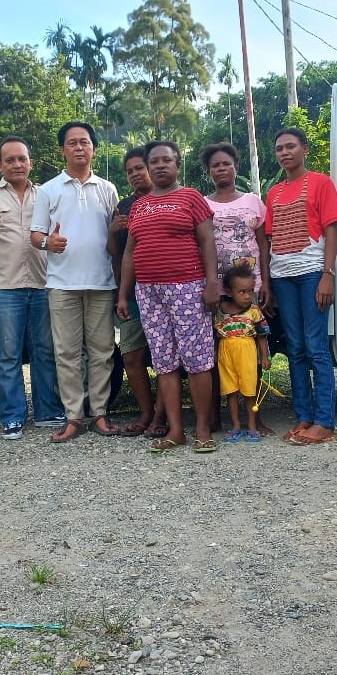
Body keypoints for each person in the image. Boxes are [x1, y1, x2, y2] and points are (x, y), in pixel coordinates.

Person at [116, 140, 219, 454]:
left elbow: (207, 241)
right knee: (164, 363)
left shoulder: (191, 197)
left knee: (198, 361)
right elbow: (130, 254)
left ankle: (202, 427)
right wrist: (123, 295)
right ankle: (176, 430)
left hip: (187, 287)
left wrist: (212, 282)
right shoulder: (140, 205)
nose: (160, 166)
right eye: (154, 162)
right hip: (148, 292)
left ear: (177, 165)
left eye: (166, 161)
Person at [0, 136, 67, 441]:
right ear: (0, 165)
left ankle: (48, 410)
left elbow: (55, 231)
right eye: (9, 160)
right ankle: (12, 416)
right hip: (3, 287)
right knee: (8, 355)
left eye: (22, 158)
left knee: (44, 351)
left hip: (42, 283)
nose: (17, 164)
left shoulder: (47, 194)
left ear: (30, 163)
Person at [30, 121, 121, 442]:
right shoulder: (48, 190)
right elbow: (36, 234)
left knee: (102, 351)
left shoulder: (108, 189)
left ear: (94, 148)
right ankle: (73, 417)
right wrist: (47, 244)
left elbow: (115, 234)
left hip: (101, 282)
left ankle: (99, 413)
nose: (79, 147)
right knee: (66, 353)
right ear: (62, 150)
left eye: (85, 142)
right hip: (61, 283)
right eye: (72, 143)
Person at [261, 127, 337, 446]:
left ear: (304, 149)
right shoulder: (274, 192)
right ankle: (304, 417)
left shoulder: (322, 183)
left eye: (290, 146)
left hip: (312, 273)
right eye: (279, 148)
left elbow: (331, 230)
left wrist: (328, 274)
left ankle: (325, 422)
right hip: (283, 276)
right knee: (294, 348)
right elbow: (269, 239)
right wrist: (268, 282)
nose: (284, 152)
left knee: (316, 346)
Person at [107, 147, 159, 437]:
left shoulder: (172, 198)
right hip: (132, 291)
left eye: (140, 167)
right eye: (129, 170)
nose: (135, 174)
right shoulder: (123, 207)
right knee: (131, 355)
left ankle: (164, 415)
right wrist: (113, 232)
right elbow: (115, 255)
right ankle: (147, 411)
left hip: (167, 290)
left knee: (166, 355)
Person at [200, 143, 270, 300]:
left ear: (236, 167)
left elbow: (264, 244)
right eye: (215, 165)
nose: (221, 168)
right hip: (216, 289)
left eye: (226, 164)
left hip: (251, 287)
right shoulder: (201, 204)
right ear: (208, 172)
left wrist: (266, 283)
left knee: (252, 324)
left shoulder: (253, 201)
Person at [215, 264, 272, 443]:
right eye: (242, 292)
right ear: (229, 291)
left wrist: (264, 356)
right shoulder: (219, 310)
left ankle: (253, 426)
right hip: (226, 353)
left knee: (249, 391)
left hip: (247, 352)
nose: (248, 296)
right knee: (231, 391)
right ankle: (236, 425)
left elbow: (262, 336)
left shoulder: (254, 311)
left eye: (250, 291)